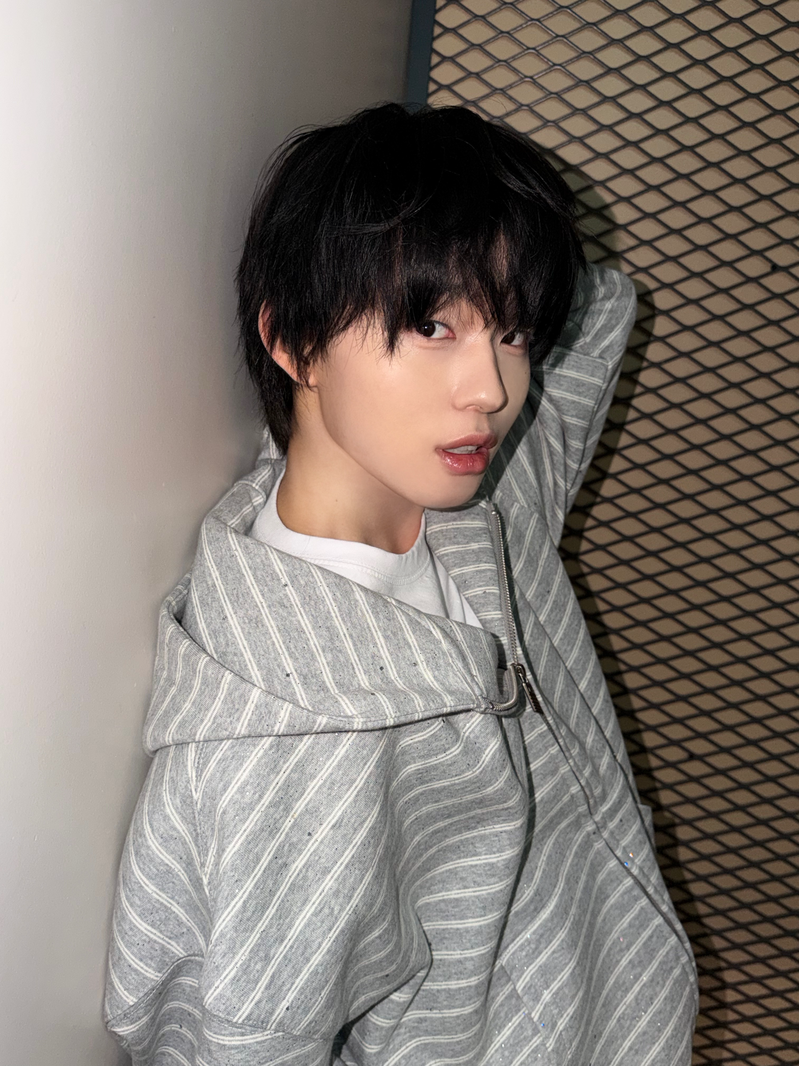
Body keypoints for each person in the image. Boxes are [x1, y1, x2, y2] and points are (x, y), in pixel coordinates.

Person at [104, 103, 698, 1065]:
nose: (490, 390)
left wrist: (486, 243)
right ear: (292, 342)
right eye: (430, 325)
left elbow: (598, 307)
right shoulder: (291, 764)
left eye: (512, 332)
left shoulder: (483, 504)